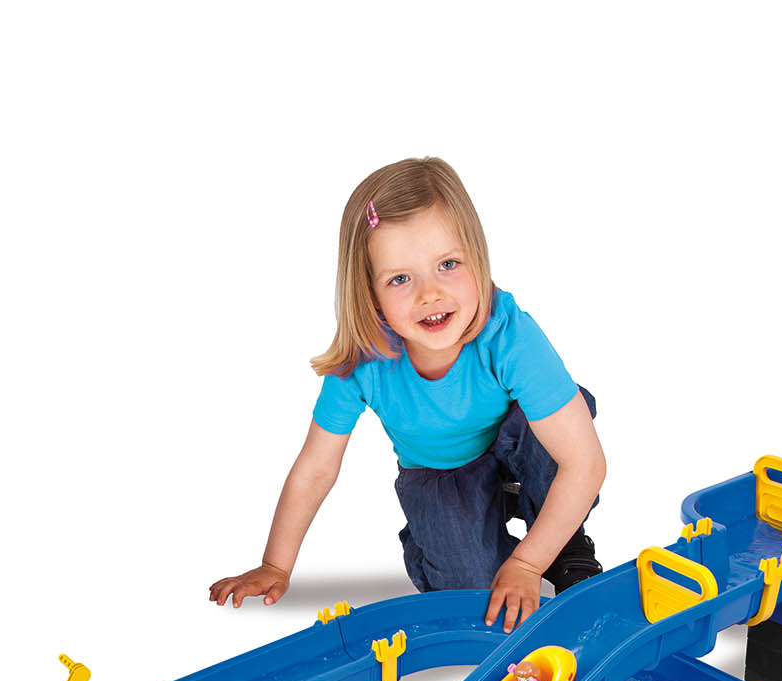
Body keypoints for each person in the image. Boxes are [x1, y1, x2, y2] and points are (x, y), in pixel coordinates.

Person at [209, 157, 606, 634]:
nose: (429, 294)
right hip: (442, 473)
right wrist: (275, 564)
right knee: (469, 589)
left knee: (561, 430)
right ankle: (464, 527)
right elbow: (315, 470)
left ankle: (561, 540)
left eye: (448, 265)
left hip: (515, 439)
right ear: (369, 294)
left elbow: (584, 464)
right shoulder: (364, 359)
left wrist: (529, 564)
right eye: (400, 278)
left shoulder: (509, 334)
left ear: (477, 259)